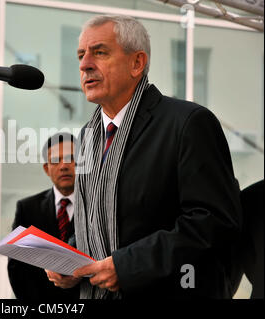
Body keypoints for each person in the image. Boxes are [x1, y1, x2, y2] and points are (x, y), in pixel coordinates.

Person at [46, 14, 243, 299]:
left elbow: (214, 223)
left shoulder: (188, 123)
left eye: (99, 52)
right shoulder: (89, 135)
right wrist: (70, 260)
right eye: (81, 55)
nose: (85, 64)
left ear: (137, 63)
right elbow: (95, 223)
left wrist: (126, 266)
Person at [7, 132, 80, 300]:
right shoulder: (27, 208)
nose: (63, 166)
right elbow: (17, 267)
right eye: (55, 160)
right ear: (46, 168)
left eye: (70, 158)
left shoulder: (97, 206)